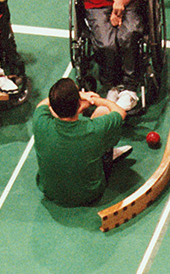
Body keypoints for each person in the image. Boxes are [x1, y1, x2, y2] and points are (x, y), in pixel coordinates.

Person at [32, 77, 132, 207]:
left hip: (50, 192)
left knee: (49, 111)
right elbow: (120, 112)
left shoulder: (40, 122)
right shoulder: (94, 130)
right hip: (89, 194)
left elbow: (43, 104)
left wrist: (78, 98)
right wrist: (93, 100)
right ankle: (107, 155)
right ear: (78, 104)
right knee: (104, 110)